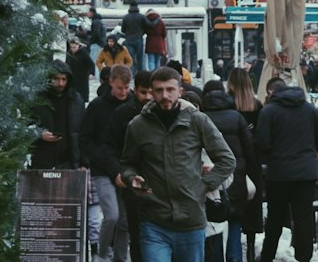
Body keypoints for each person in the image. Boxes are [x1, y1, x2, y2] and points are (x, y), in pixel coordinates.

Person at [121, 64, 235, 262]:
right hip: (154, 220)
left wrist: (204, 184)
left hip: (191, 220)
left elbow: (227, 159)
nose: (165, 95)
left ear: (180, 91)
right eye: (159, 90)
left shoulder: (197, 121)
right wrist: (132, 178)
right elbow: (127, 164)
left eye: (170, 89)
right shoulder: (138, 125)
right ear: (152, 92)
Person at [255, 77, 318, 262]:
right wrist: (308, 152)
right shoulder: (308, 109)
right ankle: (304, 258)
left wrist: (273, 153)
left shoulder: (268, 111)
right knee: (303, 218)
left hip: (279, 173)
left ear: (271, 92)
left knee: (275, 219)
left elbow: (262, 143)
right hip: (306, 173)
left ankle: (267, 257)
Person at [201, 79, 260, 262]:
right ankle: (234, 257)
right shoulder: (237, 118)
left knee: (215, 220)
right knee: (235, 218)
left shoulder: (200, 117)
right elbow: (250, 150)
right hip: (236, 177)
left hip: (210, 178)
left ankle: (217, 256)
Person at [82, 64, 134, 262]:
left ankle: (120, 257)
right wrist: (99, 160)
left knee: (124, 220)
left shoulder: (132, 105)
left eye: (126, 88)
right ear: (111, 83)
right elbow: (86, 139)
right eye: (120, 87)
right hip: (103, 169)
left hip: (125, 167)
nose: (123, 92)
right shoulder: (97, 106)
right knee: (112, 215)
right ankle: (103, 254)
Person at [111, 69, 153, 262]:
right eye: (144, 92)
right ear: (135, 90)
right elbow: (111, 146)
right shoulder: (123, 114)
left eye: (151, 92)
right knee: (135, 233)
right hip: (134, 179)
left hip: (157, 179)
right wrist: (120, 172)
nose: (148, 97)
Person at [29, 61, 85, 170]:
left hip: (69, 161)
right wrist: (39, 134)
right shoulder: (37, 99)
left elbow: (84, 132)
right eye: (56, 79)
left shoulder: (76, 100)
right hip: (43, 160)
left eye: (64, 79)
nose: (60, 83)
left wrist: (84, 162)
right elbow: (25, 124)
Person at [67, 34, 96, 103]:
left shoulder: (84, 53)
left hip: (82, 77)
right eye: (71, 47)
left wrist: (92, 73)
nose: (73, 49)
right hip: (72, 76)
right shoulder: (69, 53)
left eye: (74, 47)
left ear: (78, 45)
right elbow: (67, 63)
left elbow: (91, 64)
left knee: (82, 95)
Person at [122, 1, 148, 73]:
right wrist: (142, 32)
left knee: (130, 58)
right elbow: (148, 26)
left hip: (129, 39)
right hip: (139, 39)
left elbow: (122, 29)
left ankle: (131, 74)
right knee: (140, 58)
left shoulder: (126, 17)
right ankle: (141, 74)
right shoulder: (141, 16)